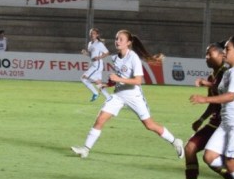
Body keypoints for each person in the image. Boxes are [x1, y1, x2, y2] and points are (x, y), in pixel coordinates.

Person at [71, 29, 184, 159]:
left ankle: (175, 141)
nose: (117, 42)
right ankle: (85, 149)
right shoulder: (115, 58)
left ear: (128, 43)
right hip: (118, 95)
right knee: (100, 118)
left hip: (133, 96)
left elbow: (138, 81)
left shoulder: (133, 58)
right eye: (116, 39)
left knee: (149, 125)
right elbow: (119, 77)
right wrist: (108, 84)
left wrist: (118, 79)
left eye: (121, 39)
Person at [174, 41, 234, 179]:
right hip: (221, 122)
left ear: (221, 55)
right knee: (204, 155)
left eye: (210, 53)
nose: (206, 56)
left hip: (229, 122)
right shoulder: (220, 74)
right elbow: (216, 100)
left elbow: (228, 95)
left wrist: (205, 95)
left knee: (202, 152)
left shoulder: (231, 71)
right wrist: (201, 118)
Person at [80, 28, 112, 102]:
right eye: (91, 33)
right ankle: (109, 98)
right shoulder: (90, 43)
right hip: (94, 64)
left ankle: (95, 93)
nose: (92, 35)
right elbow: (91, 55)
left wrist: (99, 57)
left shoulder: (99, 44)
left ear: (97, 35)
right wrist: (86, 53)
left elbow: (107, 53)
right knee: (98, 83)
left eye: (94, 33)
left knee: (83, 78)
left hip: (97, 65)